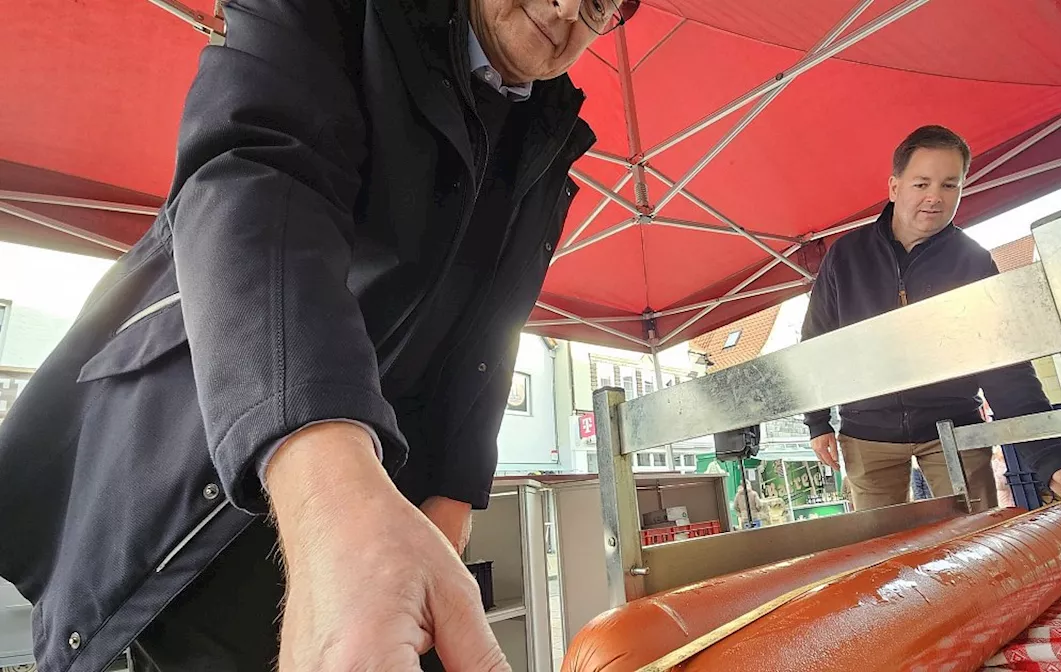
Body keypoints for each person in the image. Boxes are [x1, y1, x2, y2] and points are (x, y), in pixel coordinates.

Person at [0, 0, 639, 670]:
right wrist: (330, 495)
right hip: (189, 461)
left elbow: (489, 336)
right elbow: (256, 176)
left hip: (377, 499)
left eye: (602, 2)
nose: (567, 6)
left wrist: (453, 494)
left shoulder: (549, 137)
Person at [802, 125, 1061, 514]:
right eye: (921, 184)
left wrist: (1054, 461)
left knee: (975, 543)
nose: (935, 197)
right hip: (867, 436)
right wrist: (816, 422)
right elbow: (816, 343)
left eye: (950, 185)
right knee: (877, 554)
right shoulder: (845, 255)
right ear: (895, 187)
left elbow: (1006, 368)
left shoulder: (974, 262)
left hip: (957, 432)